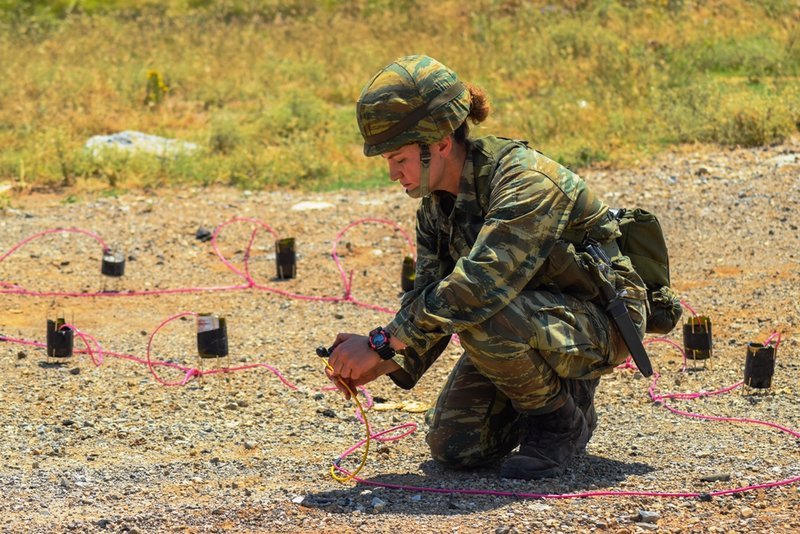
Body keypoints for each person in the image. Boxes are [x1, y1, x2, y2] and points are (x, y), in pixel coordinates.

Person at [325, 54, 647, 480]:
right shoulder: (435, 207)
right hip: (524, 321)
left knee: (483, 315)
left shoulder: (525, 181)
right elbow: (429, 298)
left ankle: (559, 423)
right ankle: (549, 391)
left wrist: (384, 342)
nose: (391, 174)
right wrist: (385, 359)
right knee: (455, 447)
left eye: (398, 158)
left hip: (599, 321)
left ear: (440, 142)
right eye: (386, 160)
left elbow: (477, 286)